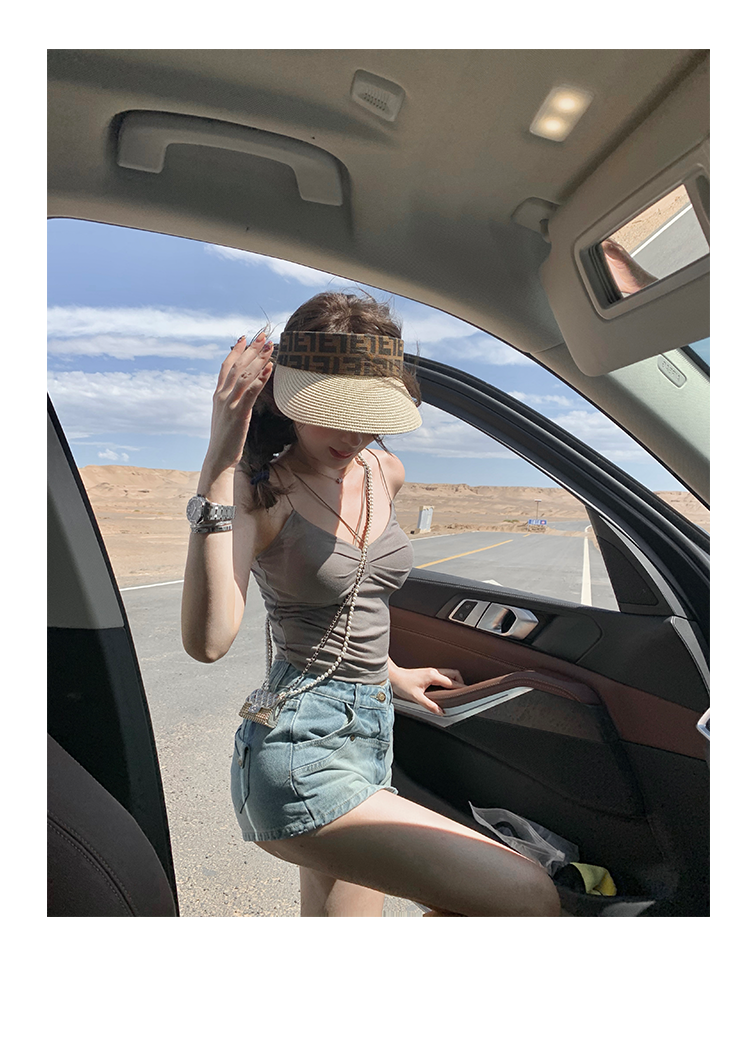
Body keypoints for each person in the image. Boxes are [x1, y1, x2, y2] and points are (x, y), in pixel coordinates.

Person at [181, 291, 560, 917]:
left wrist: (390, 672)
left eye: (367, 413)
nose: (353, 433)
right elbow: (209, 640)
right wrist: (219, 463)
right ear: (287, 397)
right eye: (332, 410)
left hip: (372, 733)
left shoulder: (385, 471)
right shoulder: (260, 491)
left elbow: (350, 596)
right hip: (298, 747)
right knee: (527, 894)